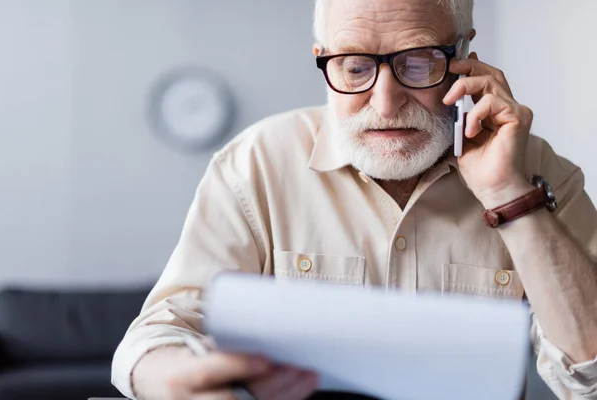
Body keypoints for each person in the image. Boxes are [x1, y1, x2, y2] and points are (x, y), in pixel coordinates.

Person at [112, 0, 597, 399]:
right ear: (323, 59)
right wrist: (182, 381)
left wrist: (510, 195)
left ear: (465, 56)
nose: (384, 103)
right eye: (355, 66)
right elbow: (157, 337)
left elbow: (590, 379)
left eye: (418, 61)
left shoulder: (538, 174)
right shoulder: (255, 163)